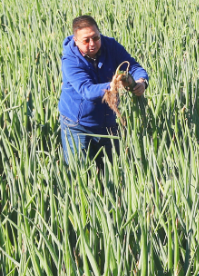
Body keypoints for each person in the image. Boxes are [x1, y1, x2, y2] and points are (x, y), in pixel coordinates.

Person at [58, 15, 148, 168]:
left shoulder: (110, 46)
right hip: (78, 126)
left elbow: (133, 66)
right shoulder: (70, 60)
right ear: (76, 40)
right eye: (86, 40)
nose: (92, 44)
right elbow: (86, 90)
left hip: (108, 123)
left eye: (96, 37)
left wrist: (141, 81)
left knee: (113, 171)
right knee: (80, 174)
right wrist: (114, 84)